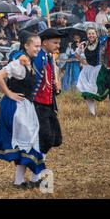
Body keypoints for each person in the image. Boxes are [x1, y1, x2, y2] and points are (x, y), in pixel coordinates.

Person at [0, 31, 45, 189]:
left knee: (10, 138)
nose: (38, 49)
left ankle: (17, 179)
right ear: (26, 46)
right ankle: (29, 178)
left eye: (39, 46)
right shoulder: (19, 62)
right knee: (26, 141)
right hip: (14, 106)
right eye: (35, 46)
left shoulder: (29, 60)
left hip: (24, 105)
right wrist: (8, 93)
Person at [31, 28, 66, 184]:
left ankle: (35, 171)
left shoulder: (49, 57)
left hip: (49, 104)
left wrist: (56, 86)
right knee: (45, 139)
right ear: (45, 43)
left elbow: (49, 84)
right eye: (55, 43)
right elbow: (34, 81)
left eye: (59, 43)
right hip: (37, 105)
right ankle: (35, 177)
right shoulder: (38, 58)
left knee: (56, 139)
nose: (58, 46)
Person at [76, 28, 109, 116]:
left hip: (98, 69)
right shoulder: (84, 44)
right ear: (87, 35)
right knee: (87, 92)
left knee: (100, 90)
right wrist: (82, 61)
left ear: (96, 34)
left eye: (93, 33)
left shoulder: (101, 43)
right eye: (89, 34)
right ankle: (92, 112)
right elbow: (76, 53)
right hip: (87, 70)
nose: (91, 35)